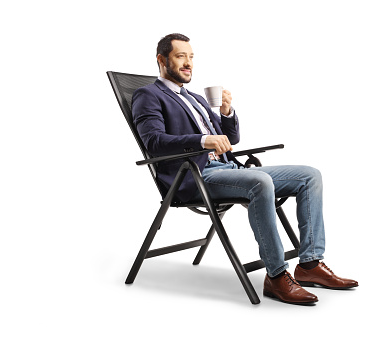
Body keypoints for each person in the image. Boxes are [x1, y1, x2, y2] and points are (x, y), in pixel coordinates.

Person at [132, 33, 358, 305]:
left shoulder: (195, 98)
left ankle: (309, 265)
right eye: (181, 56)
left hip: (227, 167)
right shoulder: (148, 95)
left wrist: (226, 113)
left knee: (310, 176)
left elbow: (230, 140)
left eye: (191, 57)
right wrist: (203, 140)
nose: (188, 63)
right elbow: (154, 142)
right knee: (259, 182)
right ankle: (275, 276)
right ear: (162, 60)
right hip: (196, 177)